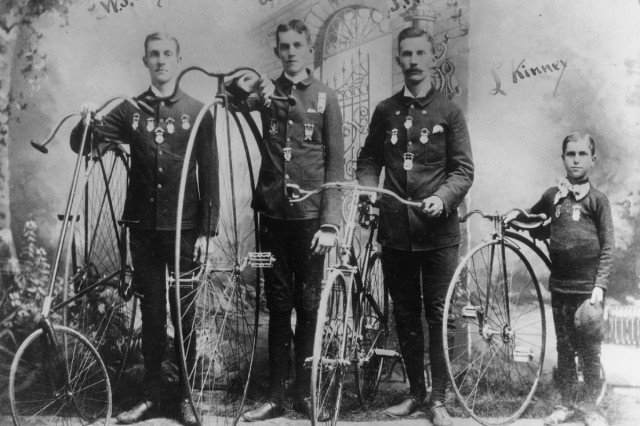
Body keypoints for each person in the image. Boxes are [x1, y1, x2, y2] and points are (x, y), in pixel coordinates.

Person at [70, 32, 218, 426]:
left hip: (185, 230)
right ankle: (151, 398)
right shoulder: (129, 110)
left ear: (179, 58)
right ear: (145, 61)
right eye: (154, 55)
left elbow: (211, 175)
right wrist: (86, 120)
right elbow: (84, 145)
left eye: (168, 54)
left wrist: (207, 231)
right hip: (144, 231)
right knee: (151, 316)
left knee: (183, 313)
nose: (161, 61)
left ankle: (185, 399)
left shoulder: (199, 110)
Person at [356, 27, 473, 426]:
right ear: (399, 60)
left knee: (438, 312)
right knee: (404, 312)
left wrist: (442, 198)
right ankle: (416, 393)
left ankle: (438, 398)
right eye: (407, 54)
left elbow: (463, 170)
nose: (414, 60)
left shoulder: (449, 111)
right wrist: (370, 192)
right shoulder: (385, 110)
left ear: (430, 58)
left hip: (438, 232)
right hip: (396, 231)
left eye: (421, 53)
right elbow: (368, 159)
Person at [228, 19, 344, 422]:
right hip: (274, 216)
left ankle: (306, 392)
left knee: (309, 303)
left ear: (309, 47)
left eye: (297, 44)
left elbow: (336, 164)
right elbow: (235, 100)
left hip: (312, 219)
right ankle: (276, 395)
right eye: (284, 46)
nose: (291, 52)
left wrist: (330, 223)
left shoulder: (327, 98)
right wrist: (244, 82)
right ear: (277, 51)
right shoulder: (269, 93)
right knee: (277, 304)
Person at [522, 132, 613, 426]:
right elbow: (531, 219)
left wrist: (599, 286)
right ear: (562, 159)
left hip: (589, 292)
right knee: (564, 348)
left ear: (592, 161)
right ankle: (565, 404)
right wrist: (512, 217)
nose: (575, 159)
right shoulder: (553, 196)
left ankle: (589, 408)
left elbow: (608, 247)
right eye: (570, 154)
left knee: (589, 350)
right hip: (560, 287)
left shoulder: (598, 201)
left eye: (581, 154)